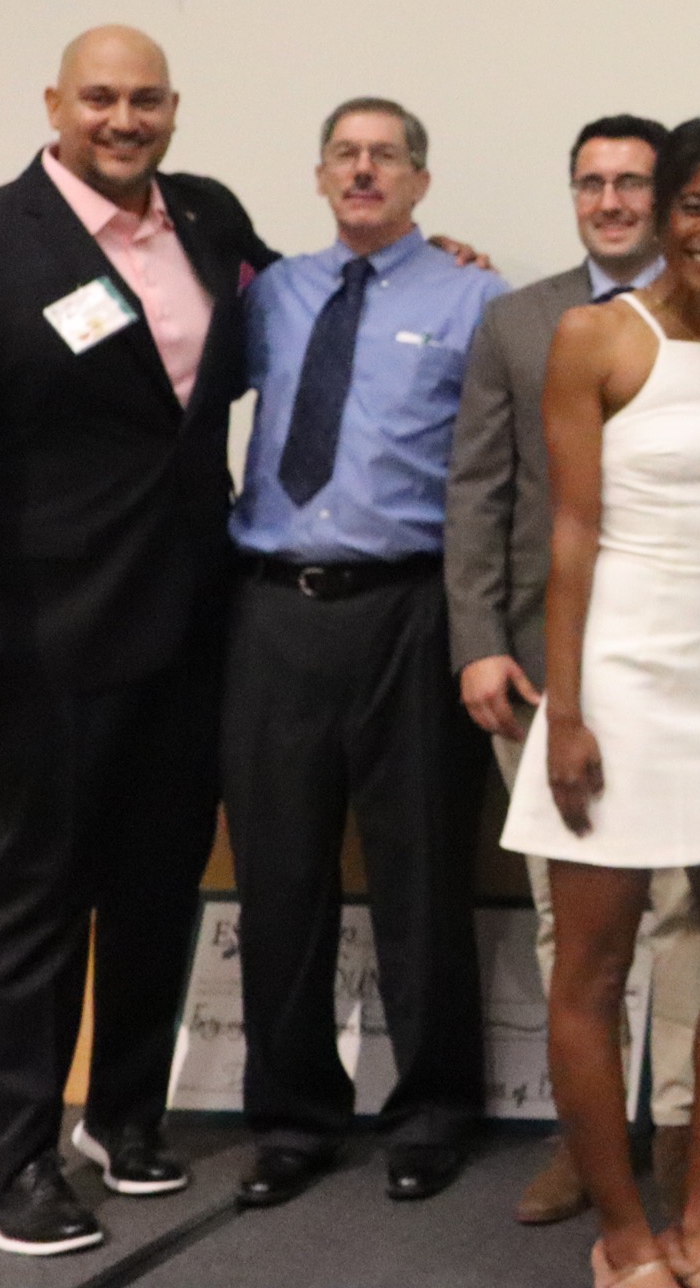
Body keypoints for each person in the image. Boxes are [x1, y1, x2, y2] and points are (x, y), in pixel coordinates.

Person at [0, 26, 273, 1258]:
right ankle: (15, 1161)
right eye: (100, 96)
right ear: (55, 103)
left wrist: (423, 255)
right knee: (33, 890)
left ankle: (124, 1119)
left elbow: (296, 301)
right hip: (35, 637)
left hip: (190, 619)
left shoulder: (205, 220)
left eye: (145, 98)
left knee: (157, 877)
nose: (123, 117)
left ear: (175, 110)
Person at [452, 115, 700, 1225]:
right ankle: (624, 1230)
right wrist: (565, 713)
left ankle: (697, 1223)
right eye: (694, 204)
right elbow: (569, 534)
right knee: (592, 968)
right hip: (613, 682)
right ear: (659, 214)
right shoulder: (593, 335)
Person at [223, 98, 505, 1210]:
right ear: (319, 174)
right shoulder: (275, 293)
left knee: (421, 870)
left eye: (387, 155)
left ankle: (432, 1111)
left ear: (422, 182)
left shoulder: (475, 297)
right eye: (345, 153)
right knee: (279, 875)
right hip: (271, 611)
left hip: (410, 609)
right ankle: (292, 1118)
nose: (364, 169)